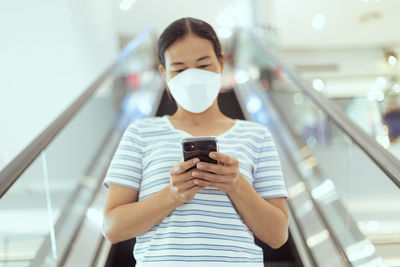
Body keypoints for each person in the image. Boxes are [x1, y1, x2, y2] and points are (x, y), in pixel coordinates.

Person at [102, 17, 289, 267]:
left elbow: (277, 235)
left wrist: (236, 185)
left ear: (221, 62)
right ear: (163, 72)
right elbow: (113, 228)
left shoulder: (257, 136)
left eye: (203, 65)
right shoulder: (140, 133)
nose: (192, 77)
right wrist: (173, 195)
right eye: (179, 69)